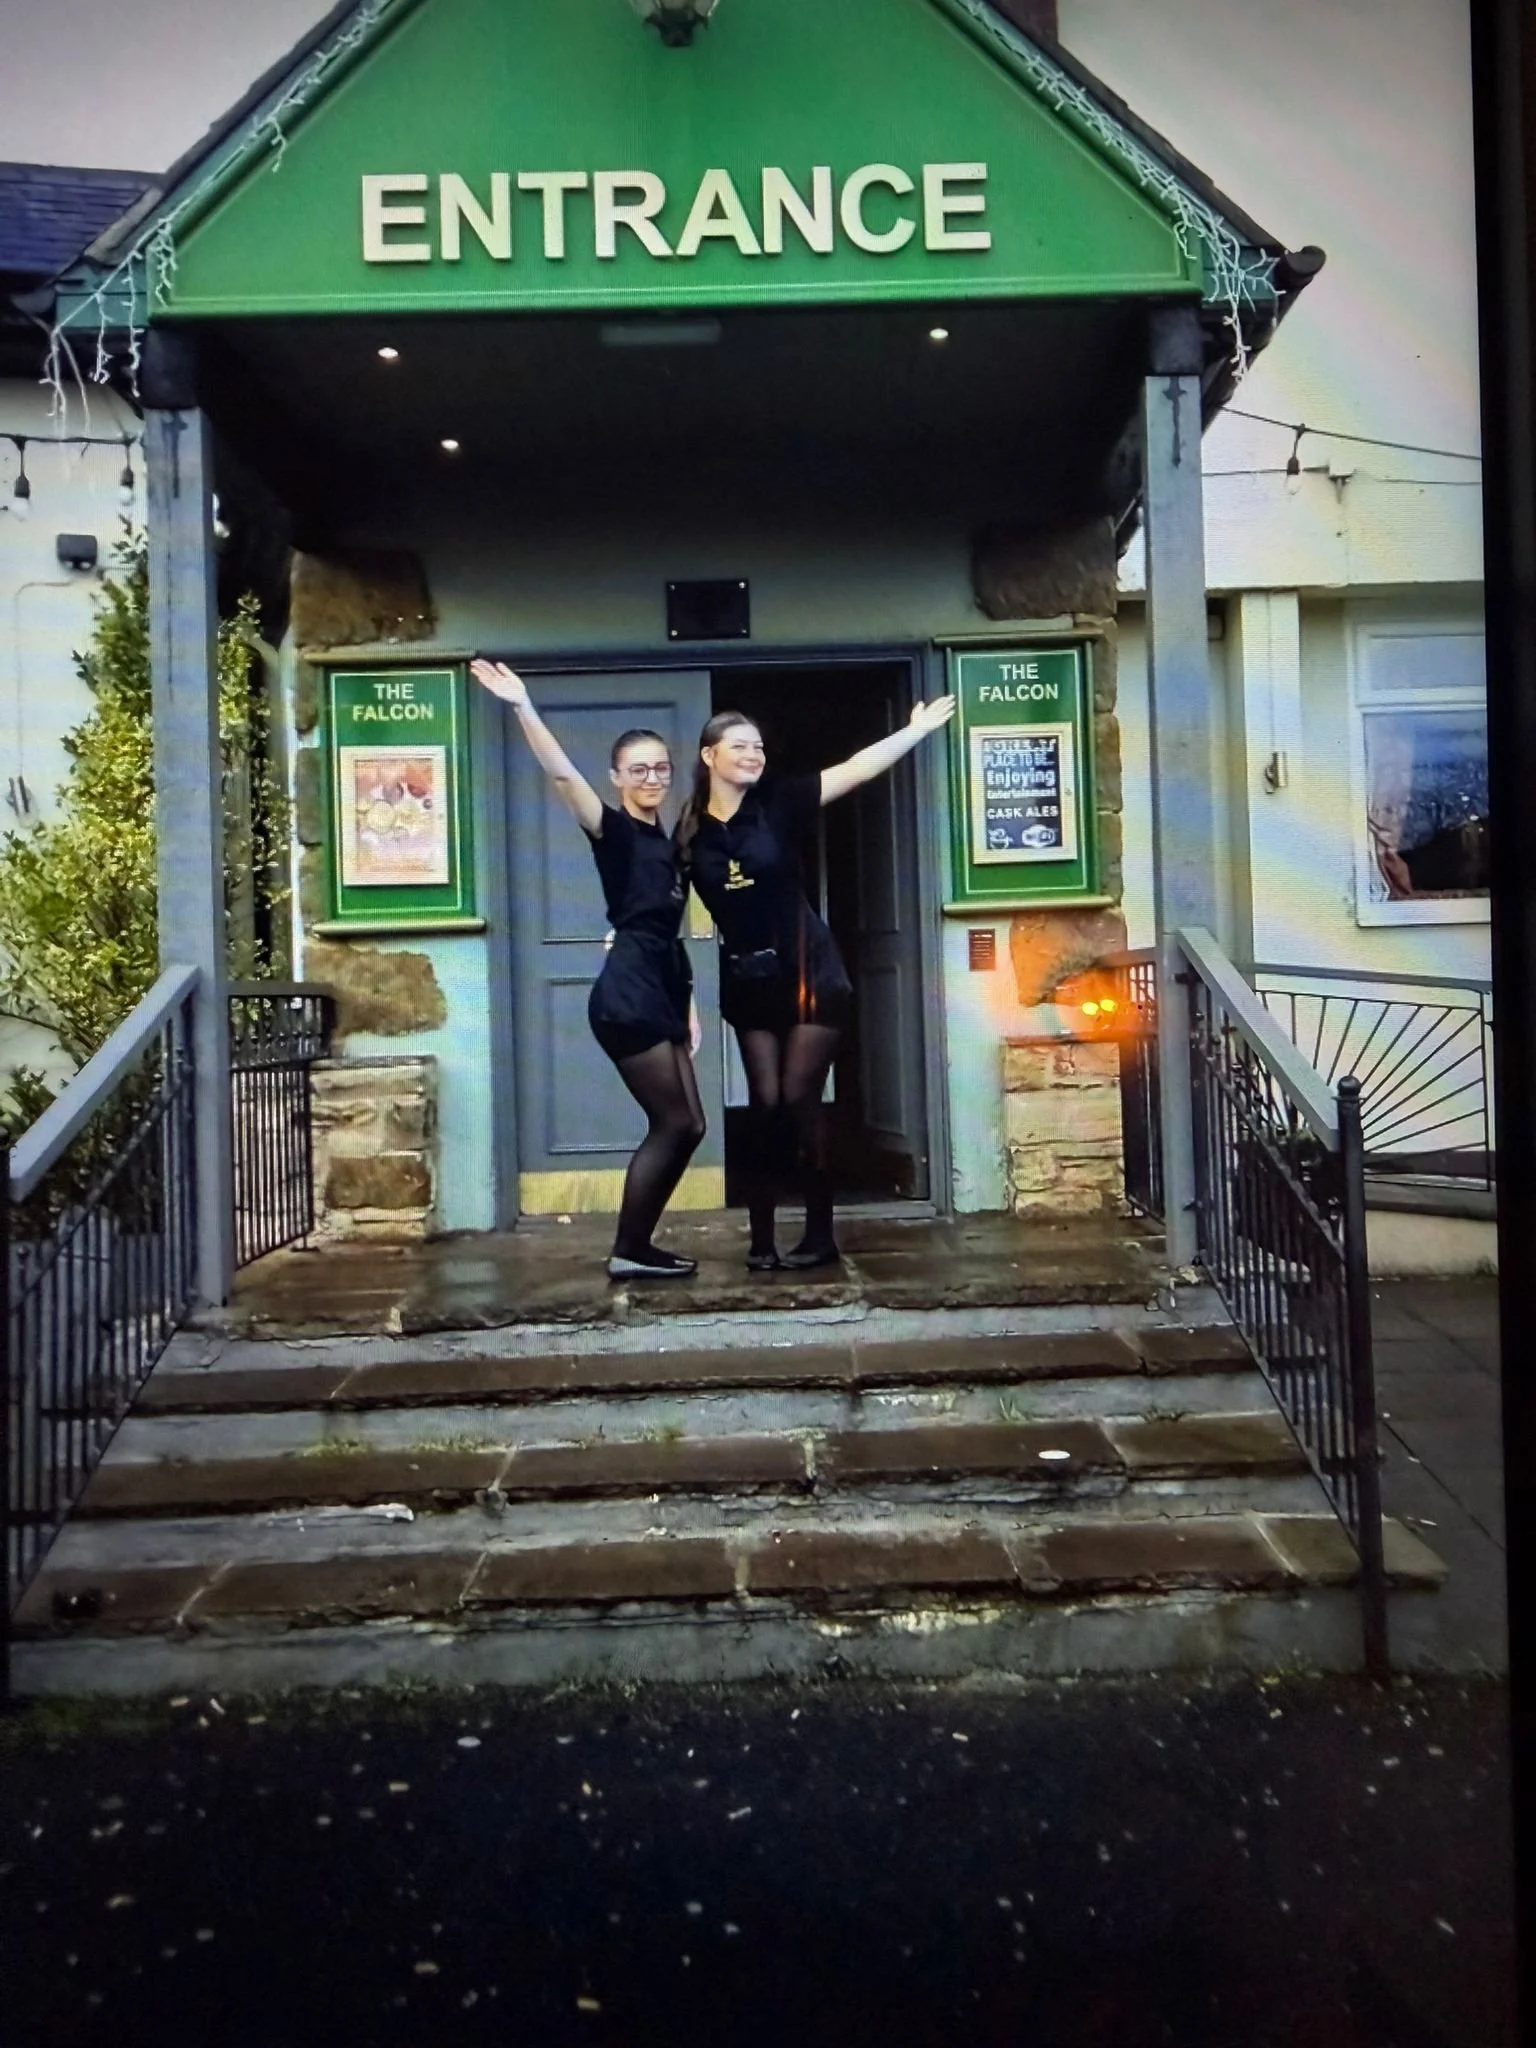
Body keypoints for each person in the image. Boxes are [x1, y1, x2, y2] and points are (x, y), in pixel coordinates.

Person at [678, 696, 957, 1271]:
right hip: (749, 980)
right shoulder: (689, 832)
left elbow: (857, 767)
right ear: (709, 756)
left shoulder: (781, 801)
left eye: (758, 745)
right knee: (765, 1104)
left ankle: (820, 1235)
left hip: (810, 972)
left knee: (802, 1098)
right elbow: (656, 906)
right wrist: (623, 937)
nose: (754, 754)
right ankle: (760, 1240)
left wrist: (915, 731)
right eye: (740, 745)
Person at [471, 659, 705, 1280]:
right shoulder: (617, 831)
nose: (651, 777)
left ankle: (638, 1245)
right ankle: (630, 1249)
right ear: (617, 777)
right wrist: (522, 704)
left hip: (659, 987)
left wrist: (688, 1006)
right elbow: (560, 773)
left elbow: (667, 933)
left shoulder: (668, 842)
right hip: (626, 996)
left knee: (692, 1125)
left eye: (660, 767)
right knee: (674, 1121)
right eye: (638, 769)